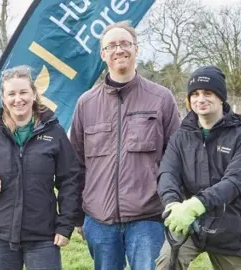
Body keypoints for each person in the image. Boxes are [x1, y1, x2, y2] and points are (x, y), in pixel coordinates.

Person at [69, 21, 181, 270]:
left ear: (136, 49)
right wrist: (78, 217)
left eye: (125, 44)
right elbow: (75, 164)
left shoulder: (161, 99)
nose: (119, 50)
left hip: (149, 221)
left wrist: (175, 207)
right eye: (112, 45)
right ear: (103, 54)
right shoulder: (85, 104)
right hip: (100, 223)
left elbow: (177, 159)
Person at [0, 65, 80, 270]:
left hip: (43, 235)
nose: (18, 99)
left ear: (34, 94)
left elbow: (69, 181)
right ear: (3, 98)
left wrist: (66, 224)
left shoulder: (55, 133)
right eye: (12, 93)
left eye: (24, 92)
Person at [156, 66, 241, 269]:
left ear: (221, 97)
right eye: (194, 94)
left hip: (231, 227)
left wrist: (196, 204)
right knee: (165, 264)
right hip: (188, 223)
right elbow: (167, 173)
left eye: (208, 93)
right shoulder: (180, 137)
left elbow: (235, 182)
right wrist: (171, 203)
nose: (200, 99)